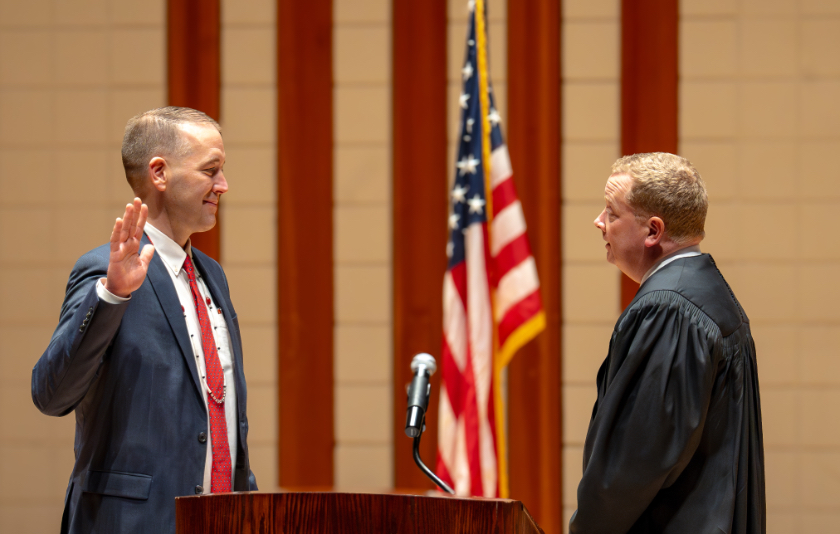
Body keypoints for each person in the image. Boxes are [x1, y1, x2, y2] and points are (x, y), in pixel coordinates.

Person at [32, 107, 257, 533]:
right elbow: (51, 394)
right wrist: (112, 295)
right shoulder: (104, 272)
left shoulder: (213, 277)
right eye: (211, 170)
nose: (223, 186)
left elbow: (219, 420)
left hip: (220, 519)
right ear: (159, 173)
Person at [569, 153, 765, 534]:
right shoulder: (710, 296)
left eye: (612, 212)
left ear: (653, 231)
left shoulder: (669, 311)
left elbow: (635, 461)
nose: (599, 221)